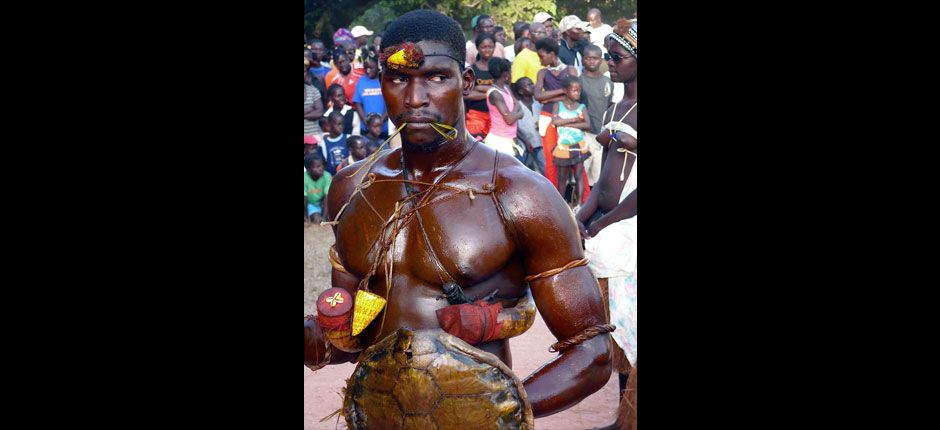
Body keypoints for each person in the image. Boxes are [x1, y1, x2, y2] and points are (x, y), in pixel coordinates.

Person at [305, 9, 613, 426]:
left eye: (435, 77)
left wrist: (498, 410)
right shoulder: (350, 189)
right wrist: (321, 335)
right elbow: (354, 333)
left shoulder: (519, 194)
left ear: (465, 82)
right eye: (398, 79)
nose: (414, 98)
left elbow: (592, 352)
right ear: (381, 82)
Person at [575, 18, 638, 430]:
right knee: (618, 332)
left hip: (629, 230)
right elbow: (604, 179)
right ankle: (624, 418)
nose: (609, 63)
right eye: (608, 57)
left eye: (617, 57)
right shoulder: (616, 108)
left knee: (632, 333)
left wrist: (603, 223)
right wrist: (581, 215)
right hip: (610, 227)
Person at [551, 77, 591, 204]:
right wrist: (574, 120)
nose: (577, 93)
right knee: (562, 178)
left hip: (578, 146)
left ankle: (579, 204)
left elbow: (587, 125)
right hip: (563, 147)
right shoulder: (558, 105)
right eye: (574, 90)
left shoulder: (581, 107)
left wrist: (564, 123)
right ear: (565, 90)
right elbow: (555, 121)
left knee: (579, 175)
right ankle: (561, 204)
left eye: (579, 90)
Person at [578, 45, 613, 186]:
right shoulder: (578, 81)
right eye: (588, 58)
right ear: (583, 60)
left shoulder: (608, 82)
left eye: (595, 58)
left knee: (598, 172)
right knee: (582, 172)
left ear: (601, 60)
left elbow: (609, 105)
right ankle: (577, 204)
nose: (591, 61)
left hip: (601, 133)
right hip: (583, 133)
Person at [483, 57, 523, 159]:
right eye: (510, 71)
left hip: (508, 139)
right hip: (499, 141)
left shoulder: (506, 88)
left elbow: (517, 104)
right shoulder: (495, 94)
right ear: (505, 75)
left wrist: (513, 113)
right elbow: (509, 119)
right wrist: (519, 113)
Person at [463, 32, 497, 140]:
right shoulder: (471, 70)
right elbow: (466, 94)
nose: (487, 50)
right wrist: (491, 92)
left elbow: (506, 91)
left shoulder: (500, 67)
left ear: (494, 47)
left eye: (490, 47)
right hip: (476, 116)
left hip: (497, 116)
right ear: (477, 48)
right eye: (483, 47)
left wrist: (479, 90)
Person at [511, 77, 545, 176]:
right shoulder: (517, 106)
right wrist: (525, 140)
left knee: (545, 169)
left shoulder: (539, 102)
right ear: (521, 91)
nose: (532, 86)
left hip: (541, 142)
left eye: (532, 83)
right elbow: (515, 127)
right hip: (526, 145)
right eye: (528, 85)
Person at [353, 48, 388, 136]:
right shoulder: (361, 81)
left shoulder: (384, 80)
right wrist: (366, 122)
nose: (368, 71)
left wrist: (380, 121)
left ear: (378, 66)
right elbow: (358, 104)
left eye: (371, 68)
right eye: (365, 68)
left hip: (383, 128)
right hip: (366, 128)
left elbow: (391, 103)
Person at [304, 152, 331, 224]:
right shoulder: (304, 178)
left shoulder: (327, 176)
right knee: (316, 218)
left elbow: (327, 197)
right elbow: (305, 199)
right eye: (318, 166)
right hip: (309, 205)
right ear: (308, 170)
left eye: (322, 165)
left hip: (321, 204)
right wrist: (306, 218)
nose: (321, 168)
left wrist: (324, 217)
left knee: (327, 218)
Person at [304, 65, 324, 139]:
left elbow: (319, 113)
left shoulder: (313, 90)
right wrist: (310, 110)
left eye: (304, 71)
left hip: (315, 136)